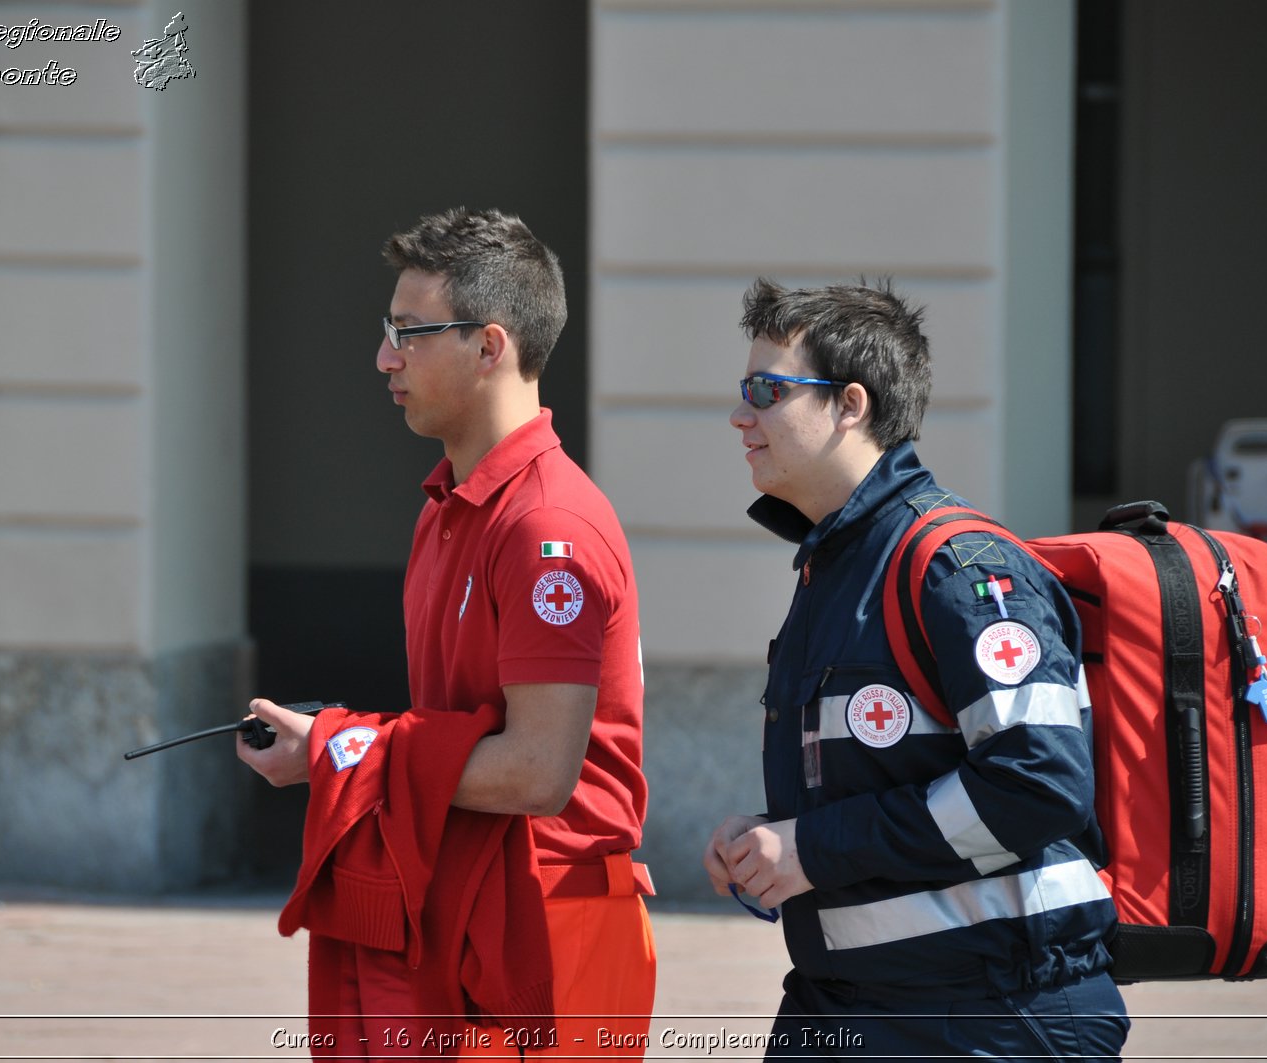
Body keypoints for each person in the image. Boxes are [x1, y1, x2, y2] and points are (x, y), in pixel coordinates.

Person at [238, 207, 654, 1057]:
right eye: (386, 329)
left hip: (553, 919)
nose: (385, 356)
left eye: (409, 332)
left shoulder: (548, 526)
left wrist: (343, 750)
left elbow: (538, 772)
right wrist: (335, 747)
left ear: (489, 346)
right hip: (476, 905)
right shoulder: (449, 511)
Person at [703, 279, 1130, 1061]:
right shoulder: (836, 566)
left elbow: (1037, 782)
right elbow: (884, 780)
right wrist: (775, 838)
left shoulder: (960, 569)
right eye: (743, 390)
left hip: (994, 1013)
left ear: (850, 404)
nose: (741, 414)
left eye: (766, 390)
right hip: (858, 1006)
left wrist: (814, 849)